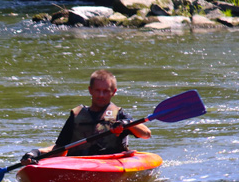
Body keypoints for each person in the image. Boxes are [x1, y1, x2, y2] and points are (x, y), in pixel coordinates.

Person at [20, 69, 151, 164]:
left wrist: (126, 124)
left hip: (109, 163)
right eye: (97, 90)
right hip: (78, 163)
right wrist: (36, 153)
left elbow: (146, 134)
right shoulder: (76, 116)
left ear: (113, 92)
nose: (101, 95)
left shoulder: (120, 115)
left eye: (105, 91)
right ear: (90, 90)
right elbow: (60, 149)